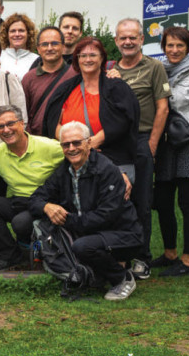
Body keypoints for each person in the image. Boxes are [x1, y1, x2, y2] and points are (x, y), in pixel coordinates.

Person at [29, 121, 143, 301]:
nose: (71, 148)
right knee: (41, 224)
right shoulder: (64, 171)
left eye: (77, 142)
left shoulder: (107, 170)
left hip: (123, 233)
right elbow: (35, 198)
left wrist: (66, 220)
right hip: (87, 229)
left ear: (89, 143)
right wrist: (47, 206)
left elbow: (106, 216)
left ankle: (122, 278)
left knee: (82, 247)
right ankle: (105, 270)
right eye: (66, 145)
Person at [109, 18, 171, 279]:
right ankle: (119, 254)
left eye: (133, 37)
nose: (128, 42)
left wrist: (153, 144)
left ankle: (141, 258)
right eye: (123, 38)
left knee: (143, 202)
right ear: (116, 41)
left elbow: (162, 107)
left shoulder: (154, 67)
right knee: (118, 200)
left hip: (143, 140)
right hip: (116, 144)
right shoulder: (111, 70)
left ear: (142, 39)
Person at [0, 105, 64, 270]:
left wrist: (119, 173)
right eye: (0, 126)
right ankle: (10, 254)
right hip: (18, 202)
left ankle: (40, 249)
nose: (6, 130)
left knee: (21, 223)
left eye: (11, 124)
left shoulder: (48, 147)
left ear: (22, 123)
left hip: (44, 204)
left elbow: (80, 151)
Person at [43, 37, 139, 187]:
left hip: (111, 158)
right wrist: (73, 144)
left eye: (93, 55)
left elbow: (124, 120)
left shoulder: (116, 87)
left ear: (102, 59)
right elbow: (52, 121)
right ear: (77, 59)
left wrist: (92, 143)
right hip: (73, 159)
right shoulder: (66, 89)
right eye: (83, 56)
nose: (88, 59)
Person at [152, 27, 189, 276]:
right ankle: (169, 253)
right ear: (163, 46)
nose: (174, 50)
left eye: (180, 45)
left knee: (188, 202)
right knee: (163, 200)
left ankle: (188, 259)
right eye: (170, 45)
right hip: (166, 141)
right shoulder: (160, 70)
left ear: (188, 47)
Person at [21, 27, 77, 136]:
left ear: (63, 46)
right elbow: (23, 114)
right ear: (38, 48)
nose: (49, 48)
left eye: (55, 43)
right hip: (38, 141)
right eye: (45, 44)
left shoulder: (75, 74)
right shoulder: (29, 78)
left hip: (67, 140)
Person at [0, 13, 40, 79]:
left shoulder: (37, 60)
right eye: (13, 31)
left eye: (21, 31)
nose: (17, 34)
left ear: (29, 34)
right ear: (6, 34)